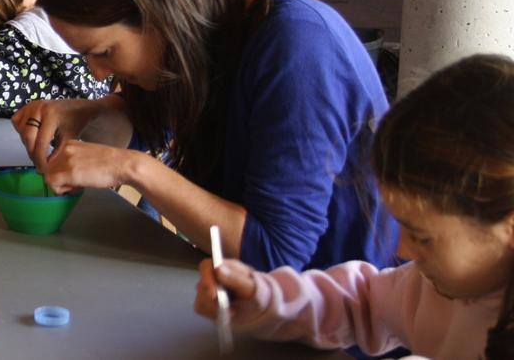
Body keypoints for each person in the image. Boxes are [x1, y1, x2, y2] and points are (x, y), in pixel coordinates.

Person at [15, 0, 397, 271]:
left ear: (156, 10)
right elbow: (151, 126)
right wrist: (88, 114)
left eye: (104, 52)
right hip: (260, 309)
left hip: (346, 325)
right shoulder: (197, 38)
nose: (97, 74)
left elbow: (276, 254)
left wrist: (132, 169)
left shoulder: (297, 47)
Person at [194, 54, 514, 360]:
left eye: (423, 237)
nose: (403, 247)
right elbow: (363, 302)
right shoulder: (438, 284)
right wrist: (262, 296)